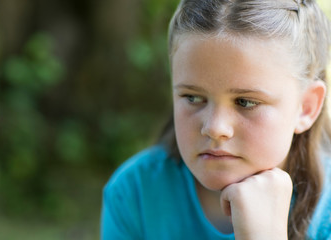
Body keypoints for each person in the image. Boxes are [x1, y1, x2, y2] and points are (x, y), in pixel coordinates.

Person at [101, 0, 331, 239]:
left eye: (246, 102)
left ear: (306, 108)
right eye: (192, 97)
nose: (214, 128)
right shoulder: (135, 192)